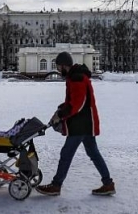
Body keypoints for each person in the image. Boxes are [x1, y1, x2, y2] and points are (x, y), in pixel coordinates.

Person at [35, 51, 115, 197]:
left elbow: (77, 104)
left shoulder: (77, 78)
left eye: (58, 67)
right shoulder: (74, 76)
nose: (58, 70)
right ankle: (108, 183)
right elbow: (73, 101)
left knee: (66, 153)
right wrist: (60, 110)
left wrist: (60, 114)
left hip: (81, 124)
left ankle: (56, 185)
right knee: (93, 153)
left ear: (65, 65)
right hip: (84, 122)